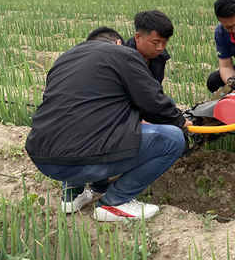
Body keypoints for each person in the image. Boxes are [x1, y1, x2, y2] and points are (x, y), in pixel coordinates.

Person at [25, 26, 192, 221]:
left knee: (82, 121)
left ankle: (72, 194)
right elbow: (152, 100)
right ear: (119, 43)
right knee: (172, 139)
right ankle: (115, 202)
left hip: (44, 158)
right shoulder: (120, 53)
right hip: (85, 156)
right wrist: (179, 120)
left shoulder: (65, 59)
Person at [124, 10, 173, 84]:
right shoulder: (122, 58)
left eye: (165, 42)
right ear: (138, 37)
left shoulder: (160, 57)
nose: (160, 48)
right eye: (155, 42)